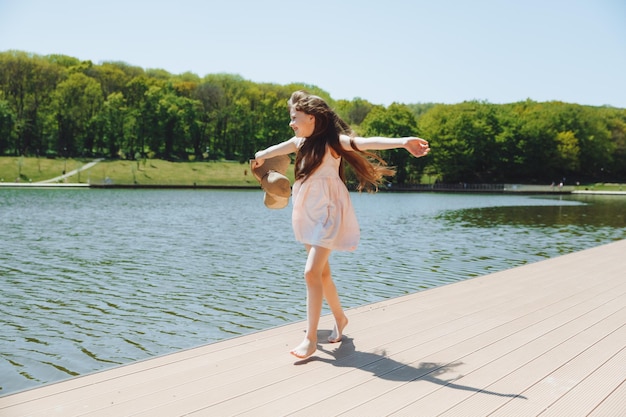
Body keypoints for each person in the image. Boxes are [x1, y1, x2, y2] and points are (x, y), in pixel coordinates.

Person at [252, 90, 430, 359]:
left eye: (294, 118)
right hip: (306, 211)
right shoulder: (300, 141)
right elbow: (270, 151)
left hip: (329, 212)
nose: (291, 123)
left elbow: (367, 143)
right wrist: (260, 157)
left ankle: (310, 339)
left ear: (311, 118)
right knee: (321, 274)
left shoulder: (335, 142)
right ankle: (340, 318)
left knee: (310, 273)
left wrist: (404, 141)